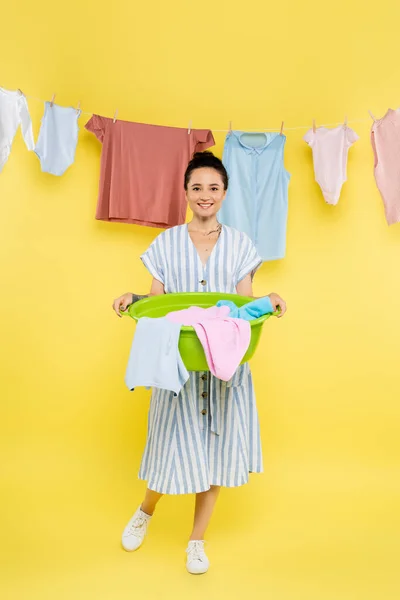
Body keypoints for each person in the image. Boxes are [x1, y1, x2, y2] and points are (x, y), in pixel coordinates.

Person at [112, 151, 287, 574]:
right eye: (196, 188)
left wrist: (270, 301)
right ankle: (146, 511)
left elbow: (244, 303)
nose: (204, 195)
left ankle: (196, 540)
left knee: (216, 453)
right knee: (168, 449)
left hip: (226, 367)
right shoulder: (166, 243)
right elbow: (159, 303)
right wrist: (133, 299)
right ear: (186, 192)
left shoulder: (242, 244)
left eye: (213, 188)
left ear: (224, 193)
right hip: (179, 368)